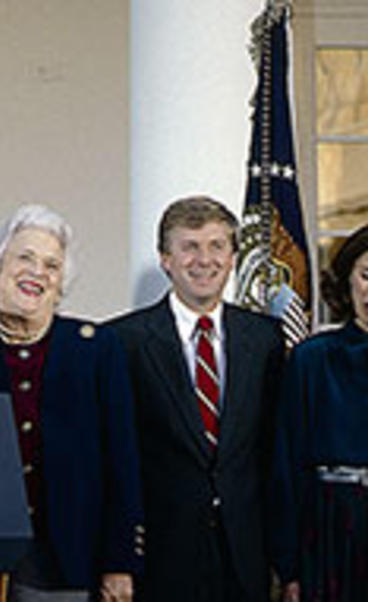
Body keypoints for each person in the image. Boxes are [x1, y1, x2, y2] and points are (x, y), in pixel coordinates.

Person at [0, 205, 143, 602]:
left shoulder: (95, 347)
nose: (37, 272)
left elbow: (122, 462)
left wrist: (119, 561)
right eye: (25, 257)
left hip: (70, 559)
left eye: (52, 266)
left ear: (60, 286)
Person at [108, 196, 284, 602]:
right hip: (161, 557)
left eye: (217, 246)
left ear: (234, 256)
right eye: (189, 247)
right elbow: (116, 460)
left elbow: (273, 453)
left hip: (246, 554)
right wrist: (117, 560)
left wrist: (284, 558)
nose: (204, 260)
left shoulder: (266, 339)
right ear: (166, 259)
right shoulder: (122, 341)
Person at [272, 223, 368, 602]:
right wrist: (289, 567)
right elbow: (286, 465)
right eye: (367, 275)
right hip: (331, 532)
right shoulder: (312, 358)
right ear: (347, 281)